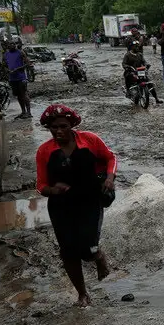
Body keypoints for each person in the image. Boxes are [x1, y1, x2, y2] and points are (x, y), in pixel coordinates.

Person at [36, 104, 114, 307]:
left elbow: (110, 158)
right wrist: (54, 190)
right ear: (48, 127)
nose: (59, 131)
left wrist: (109, 178)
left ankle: (98, 257)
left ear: (72, 125)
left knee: (88, 247)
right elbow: (41, 185)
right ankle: (82, 294)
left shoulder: (89, 140)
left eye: (63, 126)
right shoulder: (45, 151)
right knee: (68, 250)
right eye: (54, 127)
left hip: (90, 200)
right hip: (61, 205)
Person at [4, 40, 32, 119]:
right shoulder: (6, 54)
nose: (12, 45)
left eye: (13, 44)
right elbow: (5, 65)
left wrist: (18, 69)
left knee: (24, 94)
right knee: (18, 95)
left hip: (21, 77)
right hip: (12, 78)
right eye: (10, 44)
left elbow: (27, 63)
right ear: (7, 46)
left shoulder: (20, 53)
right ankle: (23, 112)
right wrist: (7, 70)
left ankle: (29, 112)